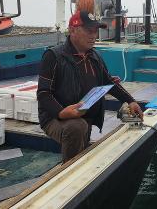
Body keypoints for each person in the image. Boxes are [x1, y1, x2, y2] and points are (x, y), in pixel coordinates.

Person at [37, 10, 143, 163]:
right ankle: (69, 173)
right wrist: (61, 113)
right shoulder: (53, 56)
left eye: (95, 30)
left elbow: (108, 82)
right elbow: (43, 94)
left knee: (81, 134)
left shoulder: (95, 56)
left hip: (85, 117)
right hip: (55, 118)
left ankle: (77, 165)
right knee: (76, 127)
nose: (93, 35)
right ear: (72, 30)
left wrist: (130, 101)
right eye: (88, 30)